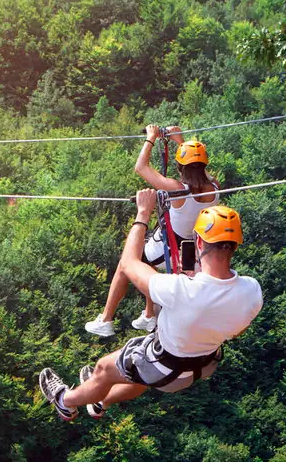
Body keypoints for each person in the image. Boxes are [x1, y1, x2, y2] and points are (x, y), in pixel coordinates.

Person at [40, 189, 263, 421]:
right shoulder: (252, 291)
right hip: (201, 366)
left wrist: (143, 213)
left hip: (163, 366)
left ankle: (65, 402)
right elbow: (237, 330)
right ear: (236, 245)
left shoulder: (180, 289)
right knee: (139, 375)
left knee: (103, 369)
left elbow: (128, 263)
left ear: (198, 241)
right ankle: (101, 402)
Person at [85, 125, 221, 337]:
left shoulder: (177, 189)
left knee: (126, 263)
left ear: (180, 166)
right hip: (191, 249)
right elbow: (199, 169)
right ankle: (149, 315)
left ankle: (106, 319)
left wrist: (150, 138)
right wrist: (180, 141)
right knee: (148, 262)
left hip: (170, 246)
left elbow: (141, 167)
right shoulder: (215, 187)